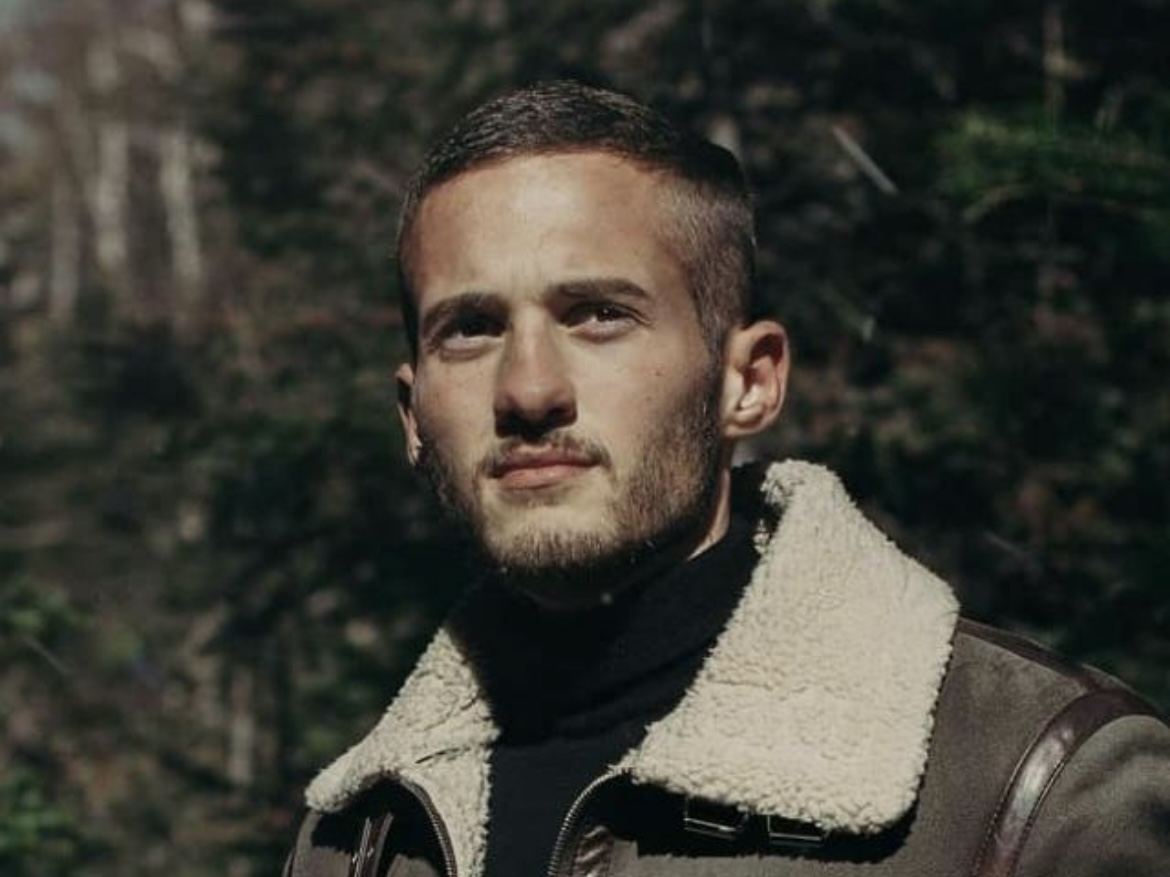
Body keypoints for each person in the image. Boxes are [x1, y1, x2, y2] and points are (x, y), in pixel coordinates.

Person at [283, 81, 1170, 877]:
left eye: (598, 315)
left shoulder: (1041, 785)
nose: (529, 390)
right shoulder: (357, 833)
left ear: (748, 381)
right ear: (413, 415)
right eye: (471, 329)